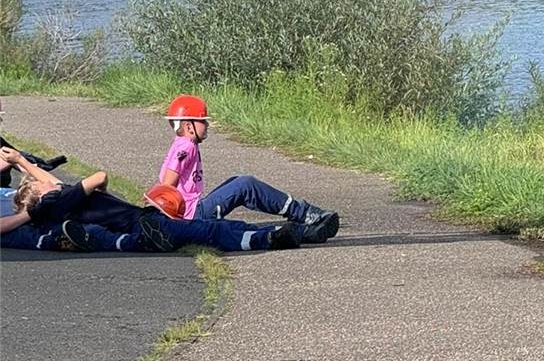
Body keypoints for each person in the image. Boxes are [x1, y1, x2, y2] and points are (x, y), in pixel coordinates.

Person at [11, 169, 324, 253]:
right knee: (207, 231)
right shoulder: (60, 201)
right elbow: (99, 176)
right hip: (145, 224)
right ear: (42, 197)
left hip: (142, 223)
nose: (53, 183)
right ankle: (267, 239)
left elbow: (48, 186)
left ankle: (287, 233)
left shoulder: (54, 209)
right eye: (45, 186)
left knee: (226, 223)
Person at [157, 95, 337, 237]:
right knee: (245, 184)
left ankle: (300, 214)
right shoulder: (186, 147)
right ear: (189, 126)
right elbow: (167, 185)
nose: (207, 124)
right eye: (203, 121)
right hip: (194, 215)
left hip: (192, 212)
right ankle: (304, 214)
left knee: (236, 181)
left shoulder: (180, 144)